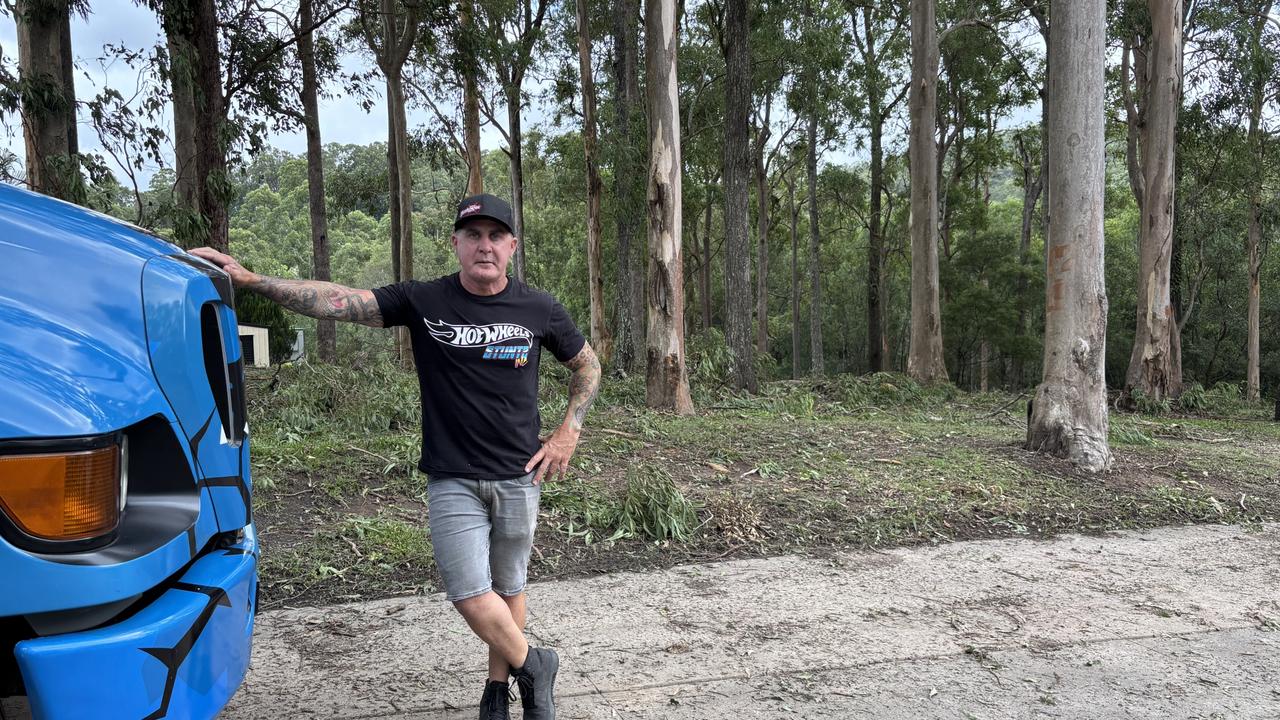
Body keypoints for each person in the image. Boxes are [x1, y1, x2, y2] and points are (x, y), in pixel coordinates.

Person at [192, 193, 600, 720]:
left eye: (496, 236)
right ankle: (535, 663)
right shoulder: (424, 300)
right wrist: (254, 282)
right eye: (473, 235)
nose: (484, 246)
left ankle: (499, 690)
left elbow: (587, 367)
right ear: (455, 243)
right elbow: (340, 299)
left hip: (521, 474)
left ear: (512, 247)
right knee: (470, 592)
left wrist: (570, 431)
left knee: (509, 585)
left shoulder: (539, 308)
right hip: (452, 475)